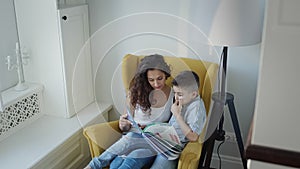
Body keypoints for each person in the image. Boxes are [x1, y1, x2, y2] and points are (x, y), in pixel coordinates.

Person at [84, 54, 174, 169]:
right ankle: (93, 166)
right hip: (132, 137)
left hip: (154, 141)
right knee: (118, 162)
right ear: (145, 78)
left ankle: (93, 166)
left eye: (159, 78)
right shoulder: (135, 92)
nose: (156, 84)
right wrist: (123, 124)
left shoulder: (173, 95)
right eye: (151, 80)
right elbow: (125, 126)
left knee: (129, 159)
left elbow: (174, 125)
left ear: (165, 74)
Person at [112, 70, 207, 169]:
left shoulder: (196, 108)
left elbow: (193, 137)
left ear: (194, 94)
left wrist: (177, 115)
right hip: (161, 141)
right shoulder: (183, 101)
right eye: (175, 93)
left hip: (171, 148)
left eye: (180, 94)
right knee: (117, 164)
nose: (176, 97)